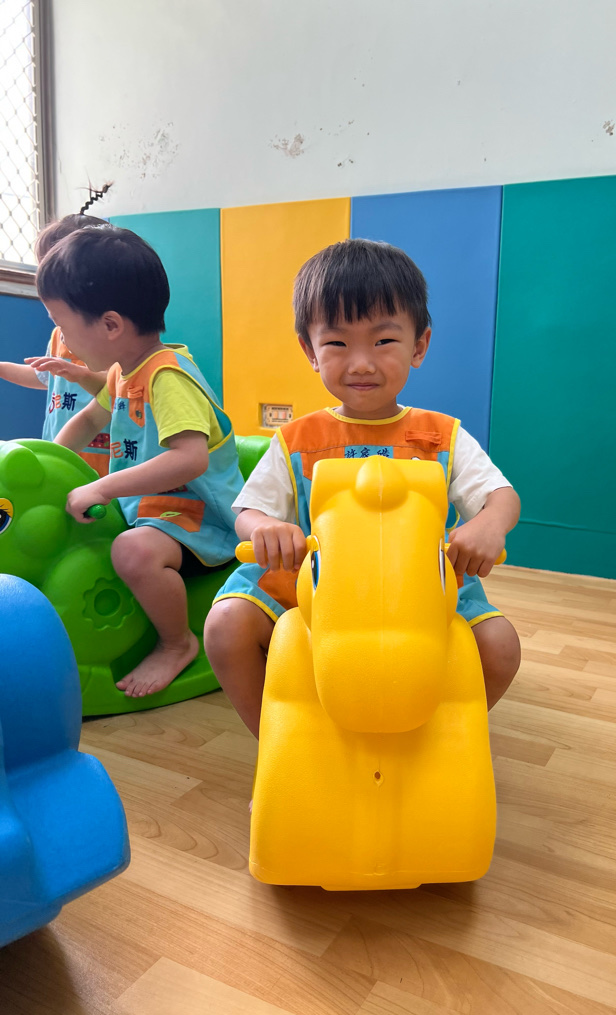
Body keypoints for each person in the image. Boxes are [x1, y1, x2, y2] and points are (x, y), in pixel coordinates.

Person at [204, 238, 521, 739]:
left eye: (383, 341)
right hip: (311, 582)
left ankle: (431, 741)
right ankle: (280, 743)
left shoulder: (442, 436)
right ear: (310, 351)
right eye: (337, 344)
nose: (361, 363)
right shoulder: (296, 440)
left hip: (426, 586)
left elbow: (501, 497)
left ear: (419, 346)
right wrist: (265, 528)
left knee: (500, 647)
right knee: (225, 627)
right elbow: (248, 510)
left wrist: (487, 526)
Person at [36, 226, 244, 699]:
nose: (62, 339)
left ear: (111, 325)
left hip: (200, 517)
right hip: (152, 508)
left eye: (64, 326)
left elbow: (190, 459)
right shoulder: (121, 372)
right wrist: (52, 461)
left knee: (131, 552)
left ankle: (177, 643)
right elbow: (88, 420)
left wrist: (103, 487)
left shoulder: (166, 378)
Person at [0, 211, 114, 474]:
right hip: (61, 446)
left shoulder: (111, 335)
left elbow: (119, 386)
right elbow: (45, 377)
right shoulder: (58, 335)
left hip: (103, 453)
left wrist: (80, 374)